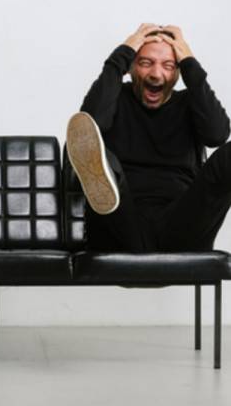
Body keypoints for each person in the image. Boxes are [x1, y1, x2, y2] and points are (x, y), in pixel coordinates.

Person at [66, 23, 231, 252]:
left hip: (181, 225)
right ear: (132, 67)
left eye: (168, 65)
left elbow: (217, 135)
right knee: (100, 155)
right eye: (145, 63)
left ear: (178, 73)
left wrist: (190, 63)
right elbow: (89, 125)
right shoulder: (115, 99)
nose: (156, 74)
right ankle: (103, 180)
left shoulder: (190, 103)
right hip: (123, 220)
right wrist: (122, 54)